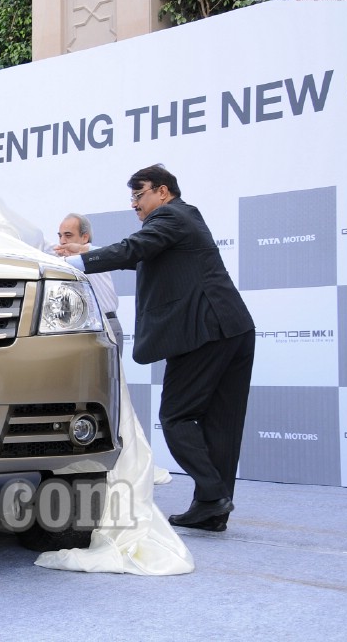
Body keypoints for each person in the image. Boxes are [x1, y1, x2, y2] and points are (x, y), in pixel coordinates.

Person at [55, 164, 255, 532]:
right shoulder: (182, 220)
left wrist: (73, 261)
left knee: (177, 416)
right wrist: (86, 250)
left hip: (206, 331)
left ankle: (212, 493)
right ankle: (212, 508)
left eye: (139, 194)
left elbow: (134, 249)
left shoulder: (171, 216)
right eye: (131, 197)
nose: (134, 204)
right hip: (232, 328)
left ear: (162, 192)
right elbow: (142, 254)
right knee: (220, 424)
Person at [55, 213, 123, 355]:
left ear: (84, 237)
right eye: (60, 236)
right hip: (78, 329)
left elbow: (76, 261)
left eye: (68, 235)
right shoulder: (62, 259)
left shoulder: (96, 256)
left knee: (107, 377)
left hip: (105, 327)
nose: (62, 241)